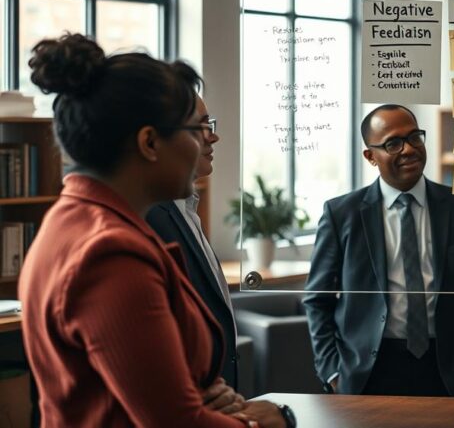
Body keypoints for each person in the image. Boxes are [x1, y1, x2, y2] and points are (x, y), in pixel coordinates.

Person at [19, 34, 290, 428]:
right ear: (149, 142)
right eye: (192, 130)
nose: (203, 145)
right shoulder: (109, 253)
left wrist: (201, 393)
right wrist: (270, 421)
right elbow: (175, 421)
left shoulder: (74, 220)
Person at [304, 104, 454, 397]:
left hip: (447, 369)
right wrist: (334, 371)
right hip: (367, 371)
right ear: (370, 156)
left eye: (414, 138)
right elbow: (317, 300)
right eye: (393, 143)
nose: (409, 149)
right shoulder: (341, 214)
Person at [146, 95, 241, 395]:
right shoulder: (148, 216)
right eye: (199, 126)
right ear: (152, 139)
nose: (213, 136)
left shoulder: (185, 206)